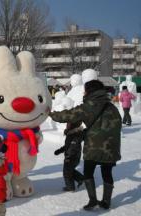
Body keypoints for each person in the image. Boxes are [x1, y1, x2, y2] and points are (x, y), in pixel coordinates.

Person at [49, 80, 122, 211]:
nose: (83, 92)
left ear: (90, 91)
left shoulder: (88, 106)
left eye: (85, 90)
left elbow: (67, 116)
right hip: (111, 146)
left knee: (88, 172)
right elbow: (118, 124)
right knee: (107, 172)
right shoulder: (111, 106)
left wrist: (50, 113)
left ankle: (92, 200)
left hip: (94, 145)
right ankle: (106, 201)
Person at [54, 121, 84, 192]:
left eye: (68, 124)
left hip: (72, 157)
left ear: (73, 126)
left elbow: (73, 147)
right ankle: (81, 178)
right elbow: (68, 146)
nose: (67, 125)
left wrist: (68, 157)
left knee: (67, 172)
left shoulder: (75, 135)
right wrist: (59, 150)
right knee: (70, 170)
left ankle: (70, 188)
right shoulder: (71, 133)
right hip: (72, 156)